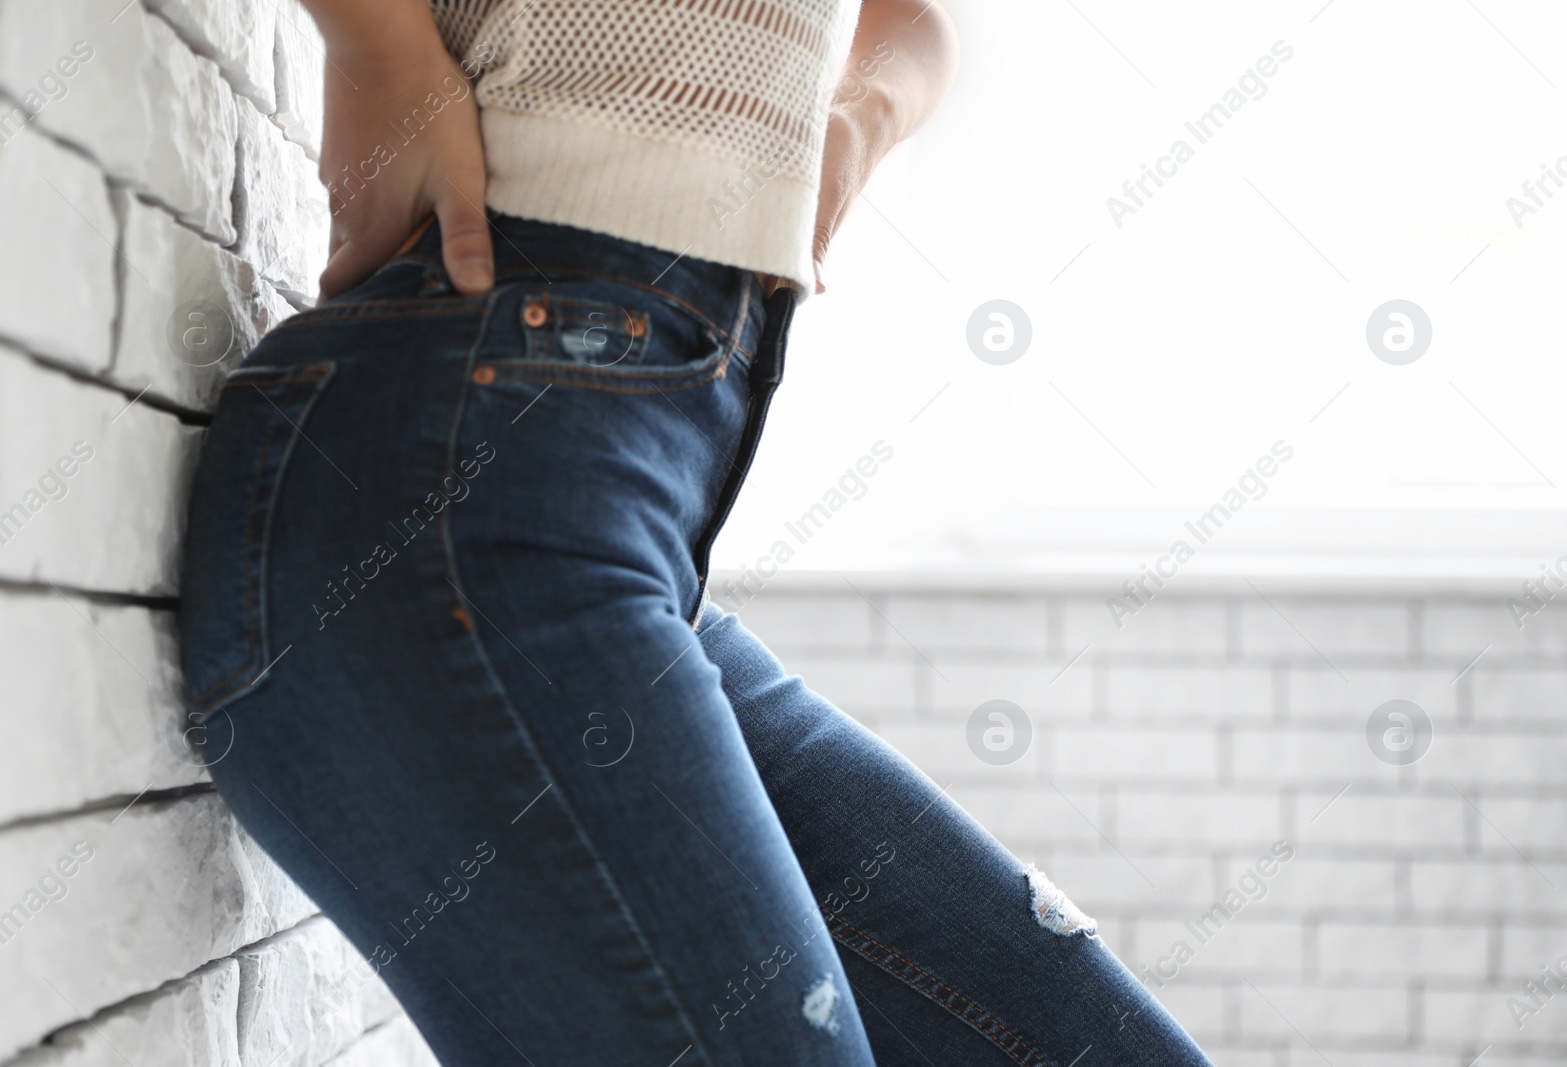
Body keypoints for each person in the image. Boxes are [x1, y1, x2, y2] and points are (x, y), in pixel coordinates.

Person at [179, 1, 1215, 1063]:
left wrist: (854, 114)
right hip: (459, 488)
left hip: (627, 516)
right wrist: (379, 43)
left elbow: (911, 23)